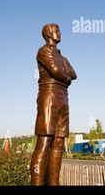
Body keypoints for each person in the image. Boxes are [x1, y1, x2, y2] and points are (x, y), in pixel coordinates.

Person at [30, 23, 77, 185]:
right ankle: (36, 183)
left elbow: (74, 74)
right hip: (49, 96)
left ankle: (54, 183)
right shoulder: (43, 51)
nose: (60, 33)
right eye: (57, 31)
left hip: (63, 97)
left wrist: (65, 74)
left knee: (59, 141)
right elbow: (56, 71)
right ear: (49, 34)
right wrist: (66, 75)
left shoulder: (62, 57)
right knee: (44, 141)